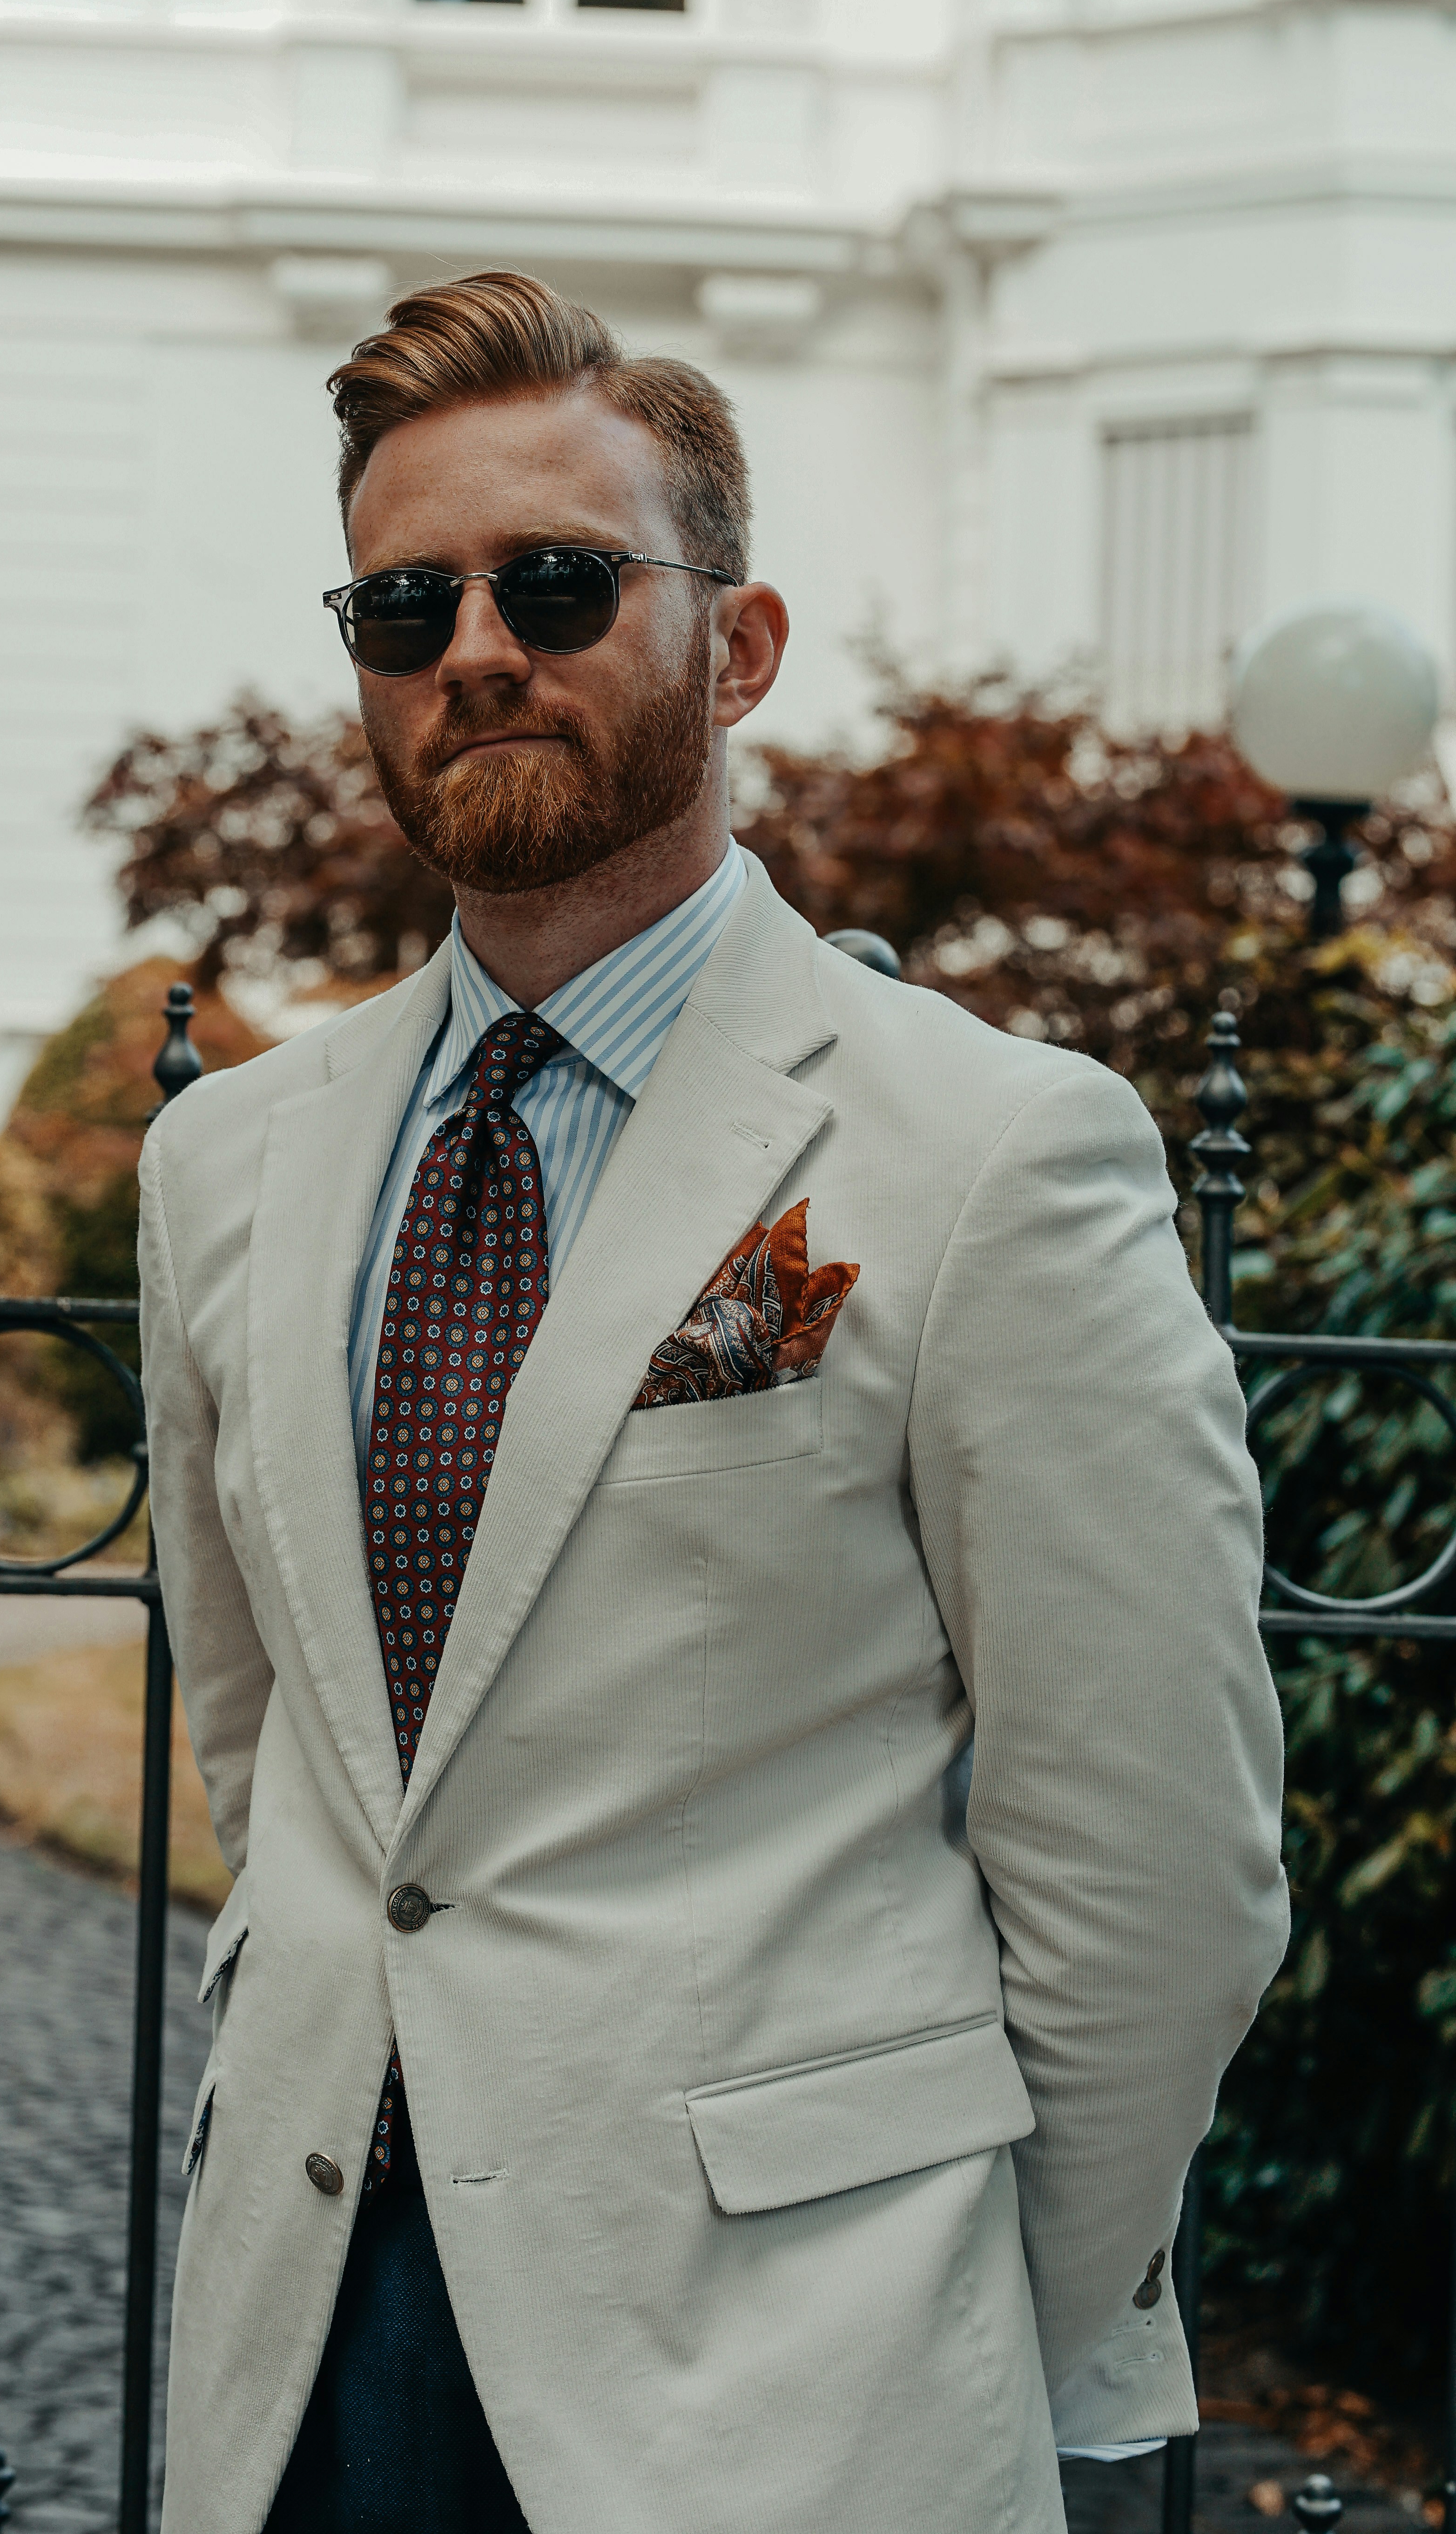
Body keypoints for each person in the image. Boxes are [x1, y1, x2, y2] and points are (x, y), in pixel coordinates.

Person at [138, 270, 1287, 2534]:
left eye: (555, 584)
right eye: (404, 603)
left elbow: (1148, 1864)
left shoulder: (989, 1154)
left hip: (790, 2375)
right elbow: (277, 1750)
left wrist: (955, 2316)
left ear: (734, 647)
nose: (476, 645)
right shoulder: (224, 1165)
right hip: (309, 2334)